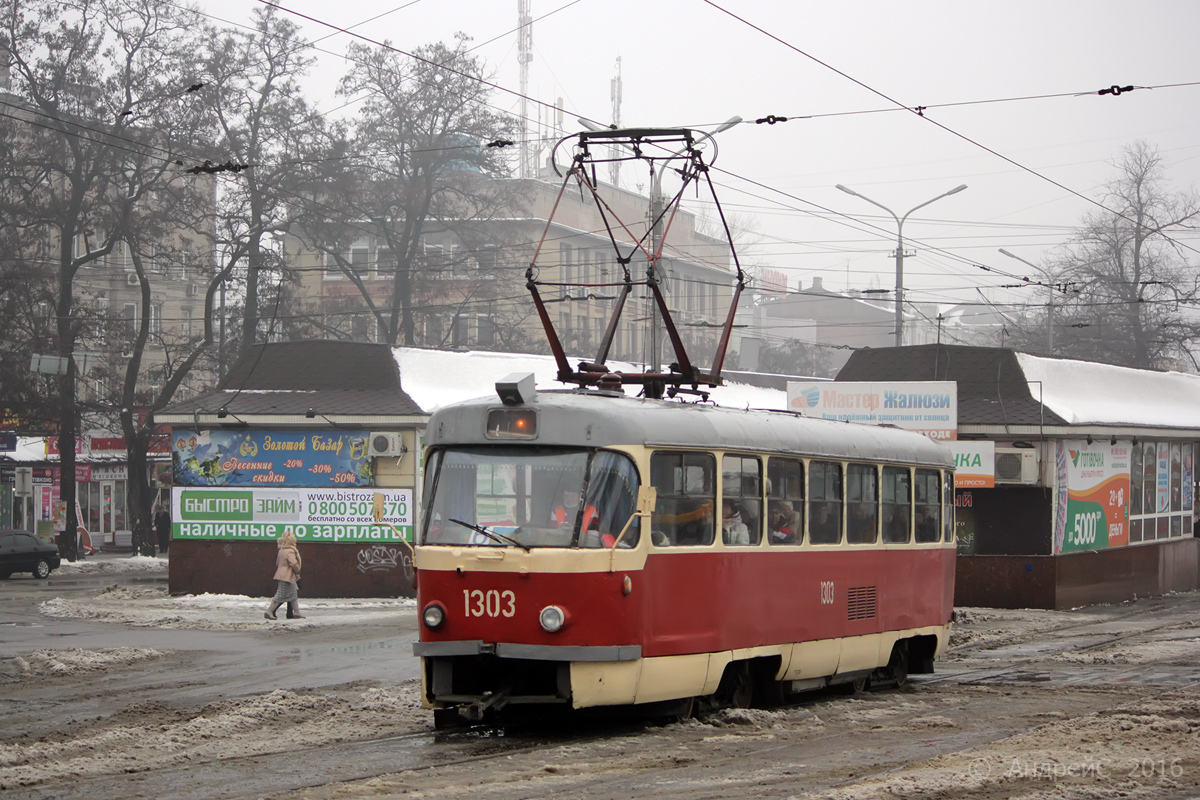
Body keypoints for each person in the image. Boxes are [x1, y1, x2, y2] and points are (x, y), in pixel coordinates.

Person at [265, 529, 303, 620]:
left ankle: (297, 612)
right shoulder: (290, 550)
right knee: (281, 594)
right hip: (287, 576)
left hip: (282, 574)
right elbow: (293, 563)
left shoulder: (282, 550)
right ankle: (269, 611)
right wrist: (297, 570)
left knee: (293, 594)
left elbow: (277, 562)